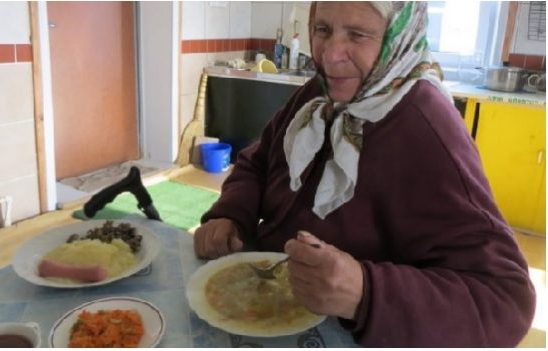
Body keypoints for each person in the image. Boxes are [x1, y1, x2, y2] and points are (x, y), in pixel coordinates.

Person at [193, 1, 536, 347]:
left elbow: (506, 302)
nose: (329, 56)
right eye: (323, 29)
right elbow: (257, 163)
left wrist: (365, 292)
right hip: (260, 305)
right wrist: (232, 214)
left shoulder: (427, 126)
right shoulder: (318, 94)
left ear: (399, 37)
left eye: (358, 35)